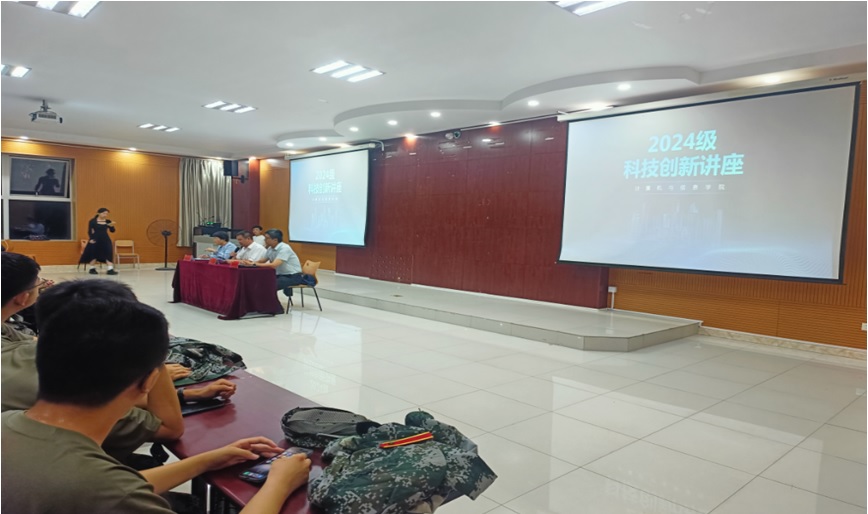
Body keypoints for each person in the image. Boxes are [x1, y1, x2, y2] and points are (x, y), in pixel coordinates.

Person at [1, 280, 311, 514]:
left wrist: (208, 459)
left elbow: (122, 486)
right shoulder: (104, 490)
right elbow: (115, 491)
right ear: (149, 381)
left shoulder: (9, 421)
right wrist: (279, 483)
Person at [1, 255, 233, 461]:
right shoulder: (78, 398)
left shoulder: (27, 352)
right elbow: (170, 428)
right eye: (38, 282)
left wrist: (187, 394)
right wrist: (153, 357)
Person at [244, 229, 303, 296]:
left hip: (292, 276)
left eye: (267, 238)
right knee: (258, 281)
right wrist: (250, 263)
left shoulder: (284, 248)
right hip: (279, 275)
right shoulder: (270, 248)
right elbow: (262, 261)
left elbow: (274, 265)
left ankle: (269, 302)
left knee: (269, 286)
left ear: (275, 240)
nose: (265, 240)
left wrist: (254, 264)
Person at [80, 207, 117, 275]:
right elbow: (89, 231)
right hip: (95, 239)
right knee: (94, 253)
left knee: (108, 252)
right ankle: (92, 269)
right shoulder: (92, 221)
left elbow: (113, 231)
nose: (105, 215)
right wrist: (91, 239)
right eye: (104, 213)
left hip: (105, 239)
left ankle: (110, 269)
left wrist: (111, 226)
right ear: (99, 213)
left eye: (106, 214)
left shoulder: (107, 221)